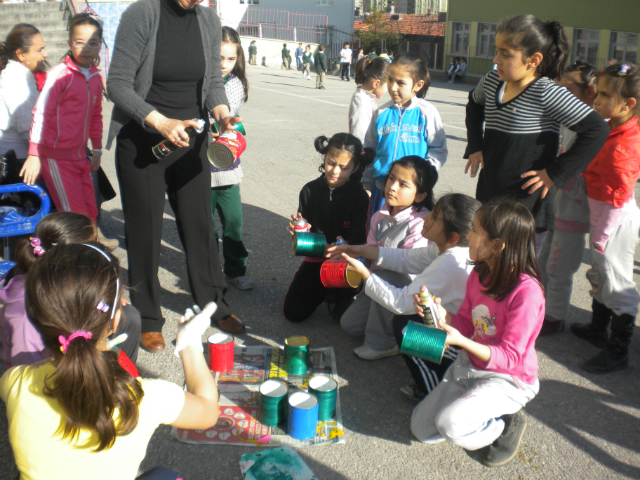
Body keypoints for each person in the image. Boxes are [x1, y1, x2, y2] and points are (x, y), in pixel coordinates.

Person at [0, 243, 220, 480]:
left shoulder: (15, 382)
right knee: (164, 476)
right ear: (115, 322)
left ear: (36, 318)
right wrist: (189, 345)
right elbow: (208, 411)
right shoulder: (146, 397)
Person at [106, 0, 244, 352]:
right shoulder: (142, 14)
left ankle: (214, 304)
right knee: (144, 233)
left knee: (200, 226)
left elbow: (213, 81)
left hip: (191, 140)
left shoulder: (207, 19)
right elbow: (118, 84)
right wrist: (161, 122)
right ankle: (149, 318)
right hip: (145, 141)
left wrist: (223, 115)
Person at [410, 200, 544, 468]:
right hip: (470, 367)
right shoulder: (479, 275)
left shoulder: (527, 293)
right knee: (421, 430)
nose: (469, 236)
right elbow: (467, 324)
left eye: (476, 231)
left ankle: (503, 425)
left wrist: (460, 342)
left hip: (509, 380)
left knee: (450, 424)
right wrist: (440, 314)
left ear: (497, 245)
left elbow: (509, 357)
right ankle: (475, 411)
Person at [463, 15, 610, 256]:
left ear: (533, 60)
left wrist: (555, 174)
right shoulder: (491, 82)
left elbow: (597, 129)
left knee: (515, 280)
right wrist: (475, 144)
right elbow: (474, 104)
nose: (496, 59)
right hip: (489, 198)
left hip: (527, 210)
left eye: (505, 54)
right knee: (486, 271)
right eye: (496, 51)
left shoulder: (545, 91)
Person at [331, 193, 479, 399]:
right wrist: (358, 250)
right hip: (458, 327)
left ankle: (435, 387)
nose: (425, 218)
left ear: (453, 236)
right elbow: (404, 259)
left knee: (407, 328)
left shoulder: (450, 263)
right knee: (399, 316)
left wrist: (365, 273)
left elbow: (400, 303)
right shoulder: (445, 248)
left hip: (462, 346)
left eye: (434, 217)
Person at [0, 212, 142, 368]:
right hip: (51, 376)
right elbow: (29, 375)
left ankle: (123, 372)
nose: (102, 248)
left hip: (72, 347)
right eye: (95, 245)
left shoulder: (57, 281)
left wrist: (106, 297)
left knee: (130, 317)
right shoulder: (25, 318)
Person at [333, 157, 437, 360]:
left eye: (403, 184)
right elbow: (369, 251)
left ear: (420, 195)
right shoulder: (379, 216)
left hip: (408, 290)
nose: (392, 187)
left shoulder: (421, 222)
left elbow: (408, 265)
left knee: (388, 276)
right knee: (350, 325)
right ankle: (388, 327)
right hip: (380, 281)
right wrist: (351, 256)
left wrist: (369, 266)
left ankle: (383, 344)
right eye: (391, 179)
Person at [573, 63, 640, 374]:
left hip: (614, 221)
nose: (596, 100)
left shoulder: (624, 144)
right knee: (601, 276)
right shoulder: (613, 127)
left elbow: (619, 195)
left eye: (604, 95)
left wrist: (602, 235)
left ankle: (618, 351)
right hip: (605, 218)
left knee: (617, 283)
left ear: (628, 104)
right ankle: (598, 329)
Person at [22, 14, 103, 227]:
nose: (86, 48)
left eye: (92, 43)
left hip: (80, 155)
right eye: (79, 42)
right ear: (70, 44)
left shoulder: (95, 77)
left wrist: (98, 148)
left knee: (91, 210)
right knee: (74, 216)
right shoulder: (59, 75)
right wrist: (34, 153)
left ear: (99, 45)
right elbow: (41, 113)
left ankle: (91, 250)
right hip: (57, 158)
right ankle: (77, 256)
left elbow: (96, 115)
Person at [283, 133, 374, 322]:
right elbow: (304, 231)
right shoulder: (309, 190)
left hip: (344, 262)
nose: (335, 171)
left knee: (341, 318)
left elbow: (359, 239)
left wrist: (341, 250)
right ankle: (321, 289)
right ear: (324, 159)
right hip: (316, 259)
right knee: (293, 313)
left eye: (344, 167)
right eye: (331, 163)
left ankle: (338, 293)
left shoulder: (359, 197)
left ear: (356, 167)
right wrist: (298, 232)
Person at [537, 61, 598, 336]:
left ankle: (554, 316)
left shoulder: (596, 131)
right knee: (543, 261)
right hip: (555, 206)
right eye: (559, 88)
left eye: (569, 89)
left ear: (590, 93)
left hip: (574, 210)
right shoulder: (567, 123)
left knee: (559, 265)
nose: (562, 94)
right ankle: (541, 308)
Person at [363, 52, 447, 215]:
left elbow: (438, 150)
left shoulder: (427, 113)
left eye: (401, 82)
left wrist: (423, 177)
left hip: (413, 194)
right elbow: (369, 151)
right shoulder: (381, 113)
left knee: (411, 236)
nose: (393, 87)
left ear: (418, 85)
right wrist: (366, 184)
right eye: (390, 79)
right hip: (382, 191)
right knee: (378, 235)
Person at [211, 27, 253, 291]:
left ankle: (235, 270)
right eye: (219, 58)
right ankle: (208, 272)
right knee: (204, 226)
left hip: (225, 163)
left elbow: (229, 122)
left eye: (231, 58)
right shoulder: (196, 79)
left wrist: (232, 134)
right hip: (198, 166)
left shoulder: (235, 84)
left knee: (233, 222)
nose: (225, 65)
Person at [0, 24, 48, 183]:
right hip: (19, 164)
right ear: (21, 55)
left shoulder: (20, 75)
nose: (45, 54)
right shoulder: (16, 80)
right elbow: (28, 129)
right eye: (39, 50)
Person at [349, 57, 390, 143]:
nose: (389, 90)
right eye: (387, 86)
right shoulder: (361, 101)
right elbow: (359, 134)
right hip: (365, 152)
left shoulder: (366, 97)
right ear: (376, 83)